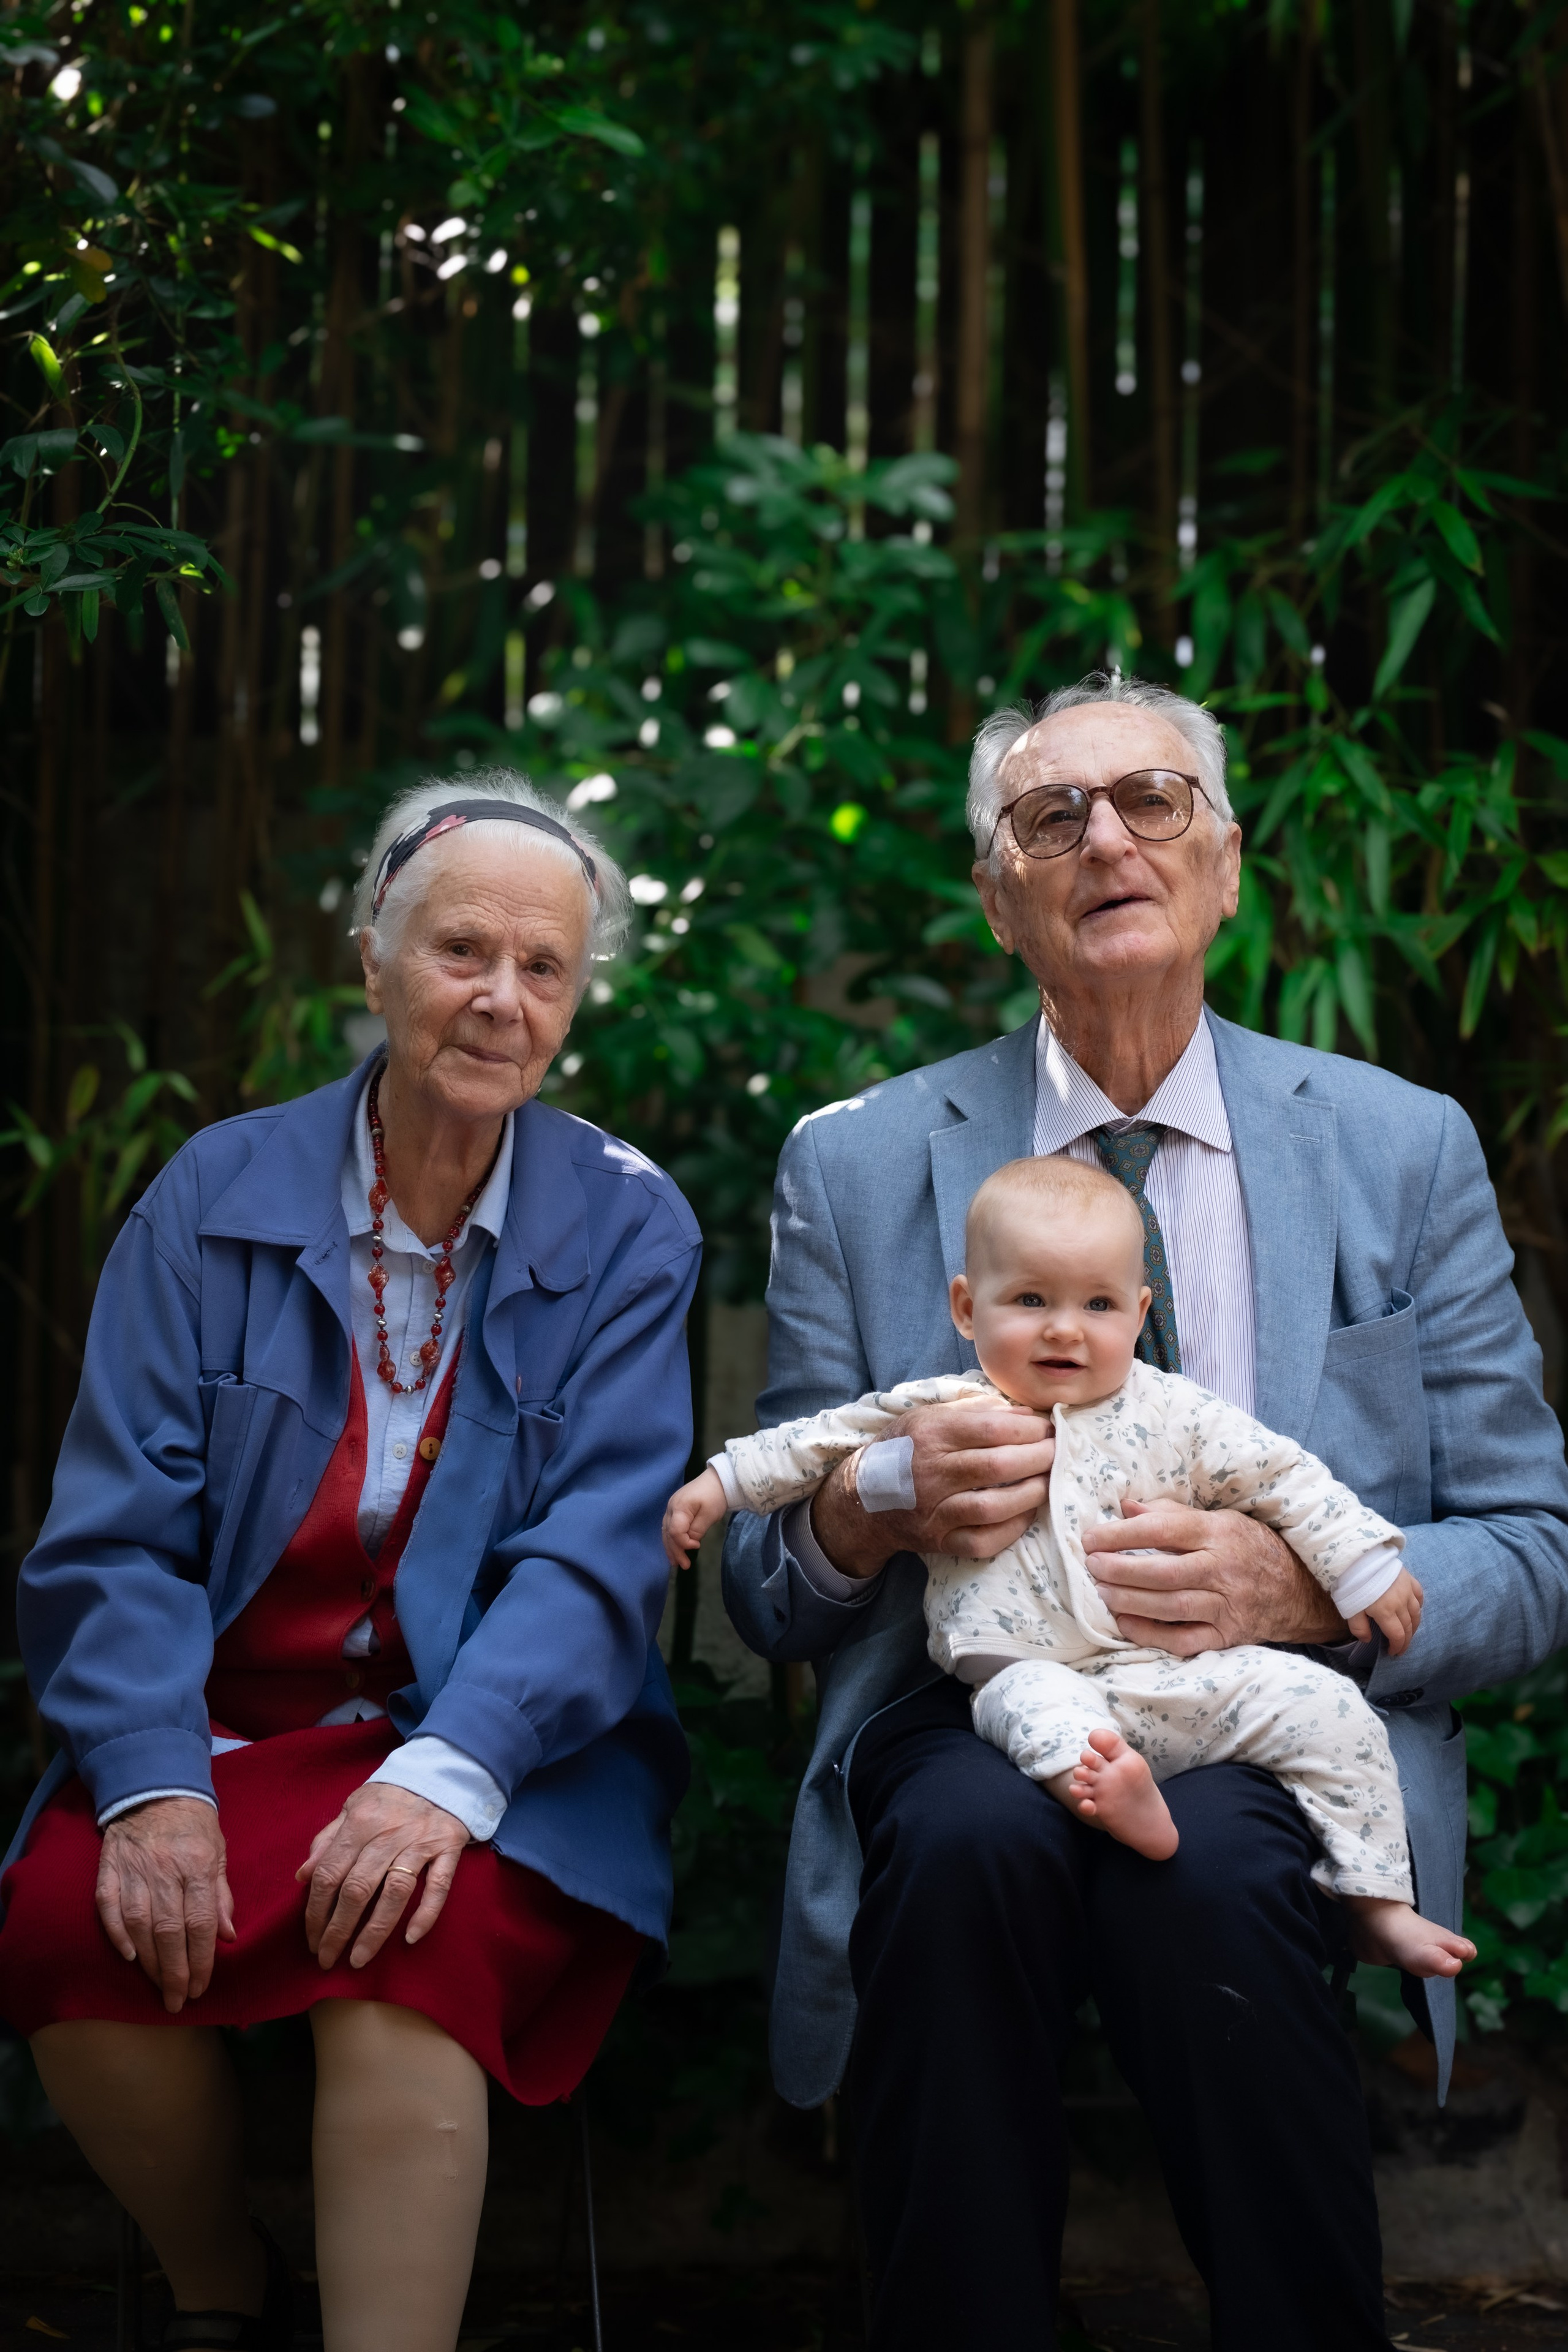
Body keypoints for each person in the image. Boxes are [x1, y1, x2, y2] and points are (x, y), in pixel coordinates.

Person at [721, 673, 1568, 2352]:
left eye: (1155, 799)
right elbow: (767, 1591)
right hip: (974, 1701)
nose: (1107, 837)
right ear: (1000, 894)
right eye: (1054, 815)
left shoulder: (1403, 1149)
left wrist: (1306, 1589)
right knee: (965, 1840)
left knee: (1222, 1883)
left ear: (1227, 864)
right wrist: (875, 1506)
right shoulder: (863, 1163)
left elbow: (1534, 1557)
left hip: (1263, 1722)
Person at [0, 772, 699, 2352]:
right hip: (230, 1733)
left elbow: (596, 1559)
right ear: (371, 963)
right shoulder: (211, 1201)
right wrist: (151, 1777)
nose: (501, 1002)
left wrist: (448, 1774)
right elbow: (112, 1529)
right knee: (63, 1925)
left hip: (512, 1748)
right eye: (462, 952)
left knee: (410, 1932)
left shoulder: (630, 1228)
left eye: (545, 971)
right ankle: (223, 2295)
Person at [674, 1153, 1472, 1977]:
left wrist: (1359, 1564)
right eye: (1030, 1300)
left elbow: (1285, 1478)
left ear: (1140, 1312)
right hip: (1025, 1668)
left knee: (1325, 1706)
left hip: (1176, 1671)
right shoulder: (945, 1410)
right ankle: (1111, 1793)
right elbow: (815, 1444)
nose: (1064, 1327)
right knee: (1034, 1712)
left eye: (1097, 1303)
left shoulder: (1178, 1412)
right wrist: (720, 1484)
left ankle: (1376, 1901)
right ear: (966, 1308)